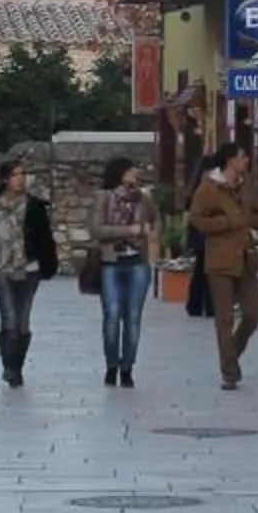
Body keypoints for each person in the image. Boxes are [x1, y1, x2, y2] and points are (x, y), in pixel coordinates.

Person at [188, 137, 258, 390]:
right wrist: (225, 223)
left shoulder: (246, 185)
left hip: (245, 256)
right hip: (220, 258)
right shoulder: (209, 187)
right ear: (231, 160)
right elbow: (197, 219)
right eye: (243, 157)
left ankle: (230, 353)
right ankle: (229, 372)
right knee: (224, 318)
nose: (246, 161)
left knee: (253, 312)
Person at [0, 153, 58, 386]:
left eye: (23, 174)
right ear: (4, 179)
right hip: (1, 269)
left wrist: (49, 266)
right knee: (9, 321)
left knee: (23, 323)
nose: (20, 179)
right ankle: (9, 367)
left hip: (29, 269)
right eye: (15, 175)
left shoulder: (34, 207)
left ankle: (18, 365)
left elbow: (45, 239)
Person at [96, 155, 157, 387]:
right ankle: (111, 364)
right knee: (112, 314)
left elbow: (155, 220)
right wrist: (127, 230)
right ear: (120, 174)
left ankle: (127, 367)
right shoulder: (104, 198)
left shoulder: (144, 199)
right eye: (131, 171)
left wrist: (151, 232)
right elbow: (96, 229)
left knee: (133, 317)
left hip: (137, 263)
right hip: (111, 262)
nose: (136, 174)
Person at [184, 152, 218, 321]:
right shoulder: (206, 188)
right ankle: (209, 306)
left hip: (199, 233)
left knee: (201, 269)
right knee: (209, 269)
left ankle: (196, 304)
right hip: (206, 232)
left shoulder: (197, 187)